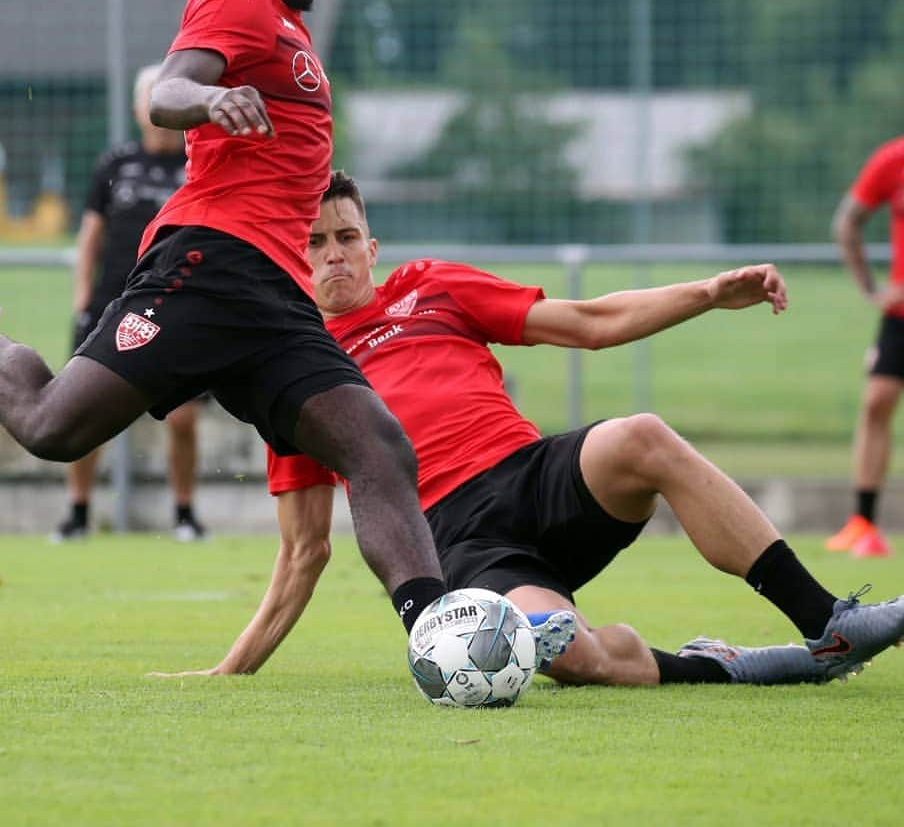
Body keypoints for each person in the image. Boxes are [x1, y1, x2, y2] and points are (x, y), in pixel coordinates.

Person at [0, 0, 450, 644]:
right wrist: (209, 98)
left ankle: (441, 635)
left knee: (376, 446)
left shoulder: (288, 22)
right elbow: (167, 91)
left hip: (274, 297)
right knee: (51, 428)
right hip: (208, 267)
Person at [157, 171, 904, 684]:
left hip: (534, 476)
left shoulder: (433, 287)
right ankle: (721, 664)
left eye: (345, 237)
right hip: (457, 542)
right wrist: (230, 671)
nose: (333, 255)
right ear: (294, 260)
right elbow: (303, 552)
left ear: (372, 246)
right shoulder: (293, 376)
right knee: (574, 660)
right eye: (314, 244)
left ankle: (829, 623)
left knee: (639, 433)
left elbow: (588, 322)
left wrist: (707, 292)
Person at [51, 64, 206, 544]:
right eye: (150, 99)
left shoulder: (197, 163)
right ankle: (78, 513)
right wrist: (83, 299)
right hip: (112, 303)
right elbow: (90, 236)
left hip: (179, 304)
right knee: (84, 410)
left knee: (182, 419)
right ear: (140, 108)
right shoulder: (115, 164)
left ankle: (184, 514)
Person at [826, 136, 904, 558]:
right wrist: (870, 289)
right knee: (877, 402)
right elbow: (847, 222)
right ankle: (864, 523)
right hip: (900, 317)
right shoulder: (893, 159)